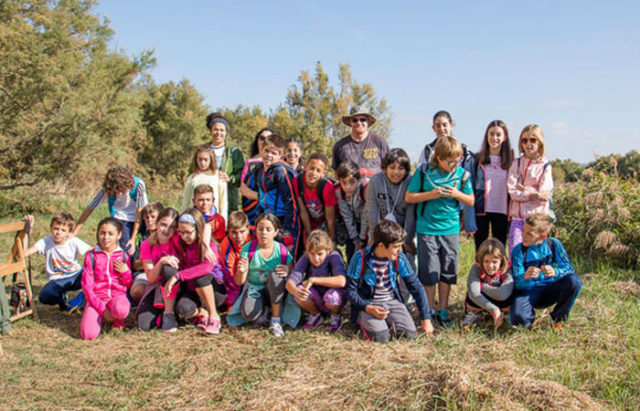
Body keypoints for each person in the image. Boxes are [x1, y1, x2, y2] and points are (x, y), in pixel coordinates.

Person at [405, 136, 474, 327]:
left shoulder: (462, 174)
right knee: (429, 272)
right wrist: (431, 194)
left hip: (450, 230)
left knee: (447, 271)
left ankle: (443, 308)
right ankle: (429, 310)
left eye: (457, 160)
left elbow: (470, 200)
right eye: (451, 161)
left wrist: (456, 194)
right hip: (427, 229)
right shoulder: (424, 172)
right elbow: (409, 197)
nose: (455, 164)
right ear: (439, 158)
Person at [345, 220, 434, 343]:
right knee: (382, 338)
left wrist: (426, 319)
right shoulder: (359, 257)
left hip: (392, 302)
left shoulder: (400, 258)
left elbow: (416, 286)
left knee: (409, 336)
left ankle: (388, 323)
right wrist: (367, 308)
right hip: (369, 304)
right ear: (381, 245)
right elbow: (350, 290)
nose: (400, 251)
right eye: (396, 247)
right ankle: (363, 321)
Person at [510, 213, 582, 331]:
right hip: (530, 292)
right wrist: (525, 277)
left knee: (575, 282)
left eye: (529, 234)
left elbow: (569, 269)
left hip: (551, 289)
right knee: (517, 318)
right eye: (523, 230)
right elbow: (518, 284)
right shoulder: (518, 251)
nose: (523, 235)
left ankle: (558, 319)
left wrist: (556, 272)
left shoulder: (554, 245)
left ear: (543, 236)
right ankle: (528, 322)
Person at [162, 209, 225, 335]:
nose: (184, 236)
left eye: (188, 232)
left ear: (198, 229)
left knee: (200, 276)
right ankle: (203, 313)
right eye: (181, 232)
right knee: (182, 309)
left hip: (213, 290)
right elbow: (166, 235)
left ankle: (214, 316)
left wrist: (178, 276)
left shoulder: (209, 247)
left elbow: (206, 268)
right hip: (193, 291)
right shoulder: (181, 242)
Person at [234, 213, 293, 337]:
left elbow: (291, 270)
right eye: (260, 229)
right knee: (249, 315)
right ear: (255, 231)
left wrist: (288, 270)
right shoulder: (248, 249)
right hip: (255, 289)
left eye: (268, 229)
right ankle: (266, 309)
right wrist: (242, 271)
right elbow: (239, 282)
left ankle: (275, 319)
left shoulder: (282, 251)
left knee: (275, 276)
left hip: (276, 289)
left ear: (276, 232)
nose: (264, 233)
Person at [241, 133, 301, 256]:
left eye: (274, 153)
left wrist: (288, 228)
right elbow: (261, 196)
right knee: (267, 253)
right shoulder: (259, 169)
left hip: (283, 219)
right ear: (261, 150)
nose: (269, 155)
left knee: (285, 256)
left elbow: (291, 201)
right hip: (267, 218)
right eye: (267, 151)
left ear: (280, 155)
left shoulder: (280, 171)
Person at [23, 213, 91, 311]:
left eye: (63, 230)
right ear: (51, 228)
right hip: (57, 279)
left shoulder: (74, 241)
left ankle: (84, 297)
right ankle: (61, 299)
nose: (58, 232)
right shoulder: (45, 242)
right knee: (44, 297)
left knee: (95, 274)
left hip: (76, 275)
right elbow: (25, 253)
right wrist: (27, 232)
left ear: (69, 232)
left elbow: (93, 252)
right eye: (56, 228)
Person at [80, 217, 132, 340]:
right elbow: (87, 287)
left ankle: (116, 318)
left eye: (111, 234)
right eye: (102, 233)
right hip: (97, 299)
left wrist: (126, 273)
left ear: (119, 235)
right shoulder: (91, 256)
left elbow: (128, 285)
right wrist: (103, 310)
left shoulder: (124, 256)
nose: (106, 237)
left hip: (116, 297)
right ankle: (102, 316)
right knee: (88, 335)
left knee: (122, 309)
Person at [464, 120, 514, 250]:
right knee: (480, 249)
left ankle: (499, 272)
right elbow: (470, 186)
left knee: (500, 249)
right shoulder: (476, 159)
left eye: (498, 134)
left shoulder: (512, 161)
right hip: (481, 210)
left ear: (505, 137)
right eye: (491, 134)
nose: (494, 138)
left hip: (503, 210)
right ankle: (479, 271)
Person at [74, 167, 148, 253]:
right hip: (120, 216)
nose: (119, 193)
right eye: (116, 191)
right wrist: (75, 231)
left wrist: (133, 238)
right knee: (126, 247)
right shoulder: (106, 189)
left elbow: (139, 211)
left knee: (143, 243)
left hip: (140, 216)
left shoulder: (138, 185)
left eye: (120, 190)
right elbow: (90, 208)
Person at [285, 230, 346, 332]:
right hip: (317, 297)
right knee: (300, 291)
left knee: (331, 296)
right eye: (312, 254)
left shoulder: (333, 256)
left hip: (334, 297)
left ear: (328, 250)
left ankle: (335, 315)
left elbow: (341, 281)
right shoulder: (306, 258)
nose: (316, 258)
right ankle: (315, 314)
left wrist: (313, 280)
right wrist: (297, 292)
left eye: (320, 254)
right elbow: (290, 282)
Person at [507, 124, 553, 255]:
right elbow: (513, 192)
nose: (528, 144)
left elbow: (544, 195)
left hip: (537, 220)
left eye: (533, 140)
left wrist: (524, 189)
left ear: (540, 142)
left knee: (535, 256)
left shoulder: (545, 166)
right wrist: (534, 193)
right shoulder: (516, 164)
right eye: (524, 140)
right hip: (518, 219)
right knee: (515, 255)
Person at [135, 208, 180, 332]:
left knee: (168, 268)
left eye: (171, 227)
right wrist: (160, 261)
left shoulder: (178, 240)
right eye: (163, 225)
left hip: (177, 284)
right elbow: (150, 278)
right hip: (157, 286)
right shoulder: (147, 245)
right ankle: (162, 311)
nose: (166, 230)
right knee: (144, 325)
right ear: (157, 223)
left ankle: (169, 313)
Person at [365, 148, 416, 255]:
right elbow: (372, 212)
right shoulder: (375, 181)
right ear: (385, 168)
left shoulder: (410, 182)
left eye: (401, 168)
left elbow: (410, 215)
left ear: (406, 170)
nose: (396, 172)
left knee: (407, 261)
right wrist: (374, 238)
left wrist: (408, 240)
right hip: (382, 230)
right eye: (392, 168)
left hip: (404, 230)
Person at [462, 238, 514, 328]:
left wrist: (481, 286)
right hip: (482, 300)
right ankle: (476, 314)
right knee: (472, 295)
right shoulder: (476, 268)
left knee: (510, 296)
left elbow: (503, 294)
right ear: (481, 260)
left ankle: (507, 315)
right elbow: (474, 294)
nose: (490, 266)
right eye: (486, 261)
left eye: (494, 262)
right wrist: (494, 310)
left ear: (501, 260)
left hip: (501, 299)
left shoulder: (507, 270)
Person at [332, 105, 389, 180]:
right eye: (354, 120)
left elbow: (389, 168)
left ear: (368, 121)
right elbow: (336, 174)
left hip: (376, 189)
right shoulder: (340, 146)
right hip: (350, 189)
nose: (359, 123)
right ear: (350, 122)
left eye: (362, 119)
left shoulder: (380, 142)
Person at [294, 152, 338, 241]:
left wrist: (331, 240)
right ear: (305, 166)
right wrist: (309, 235)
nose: (314, 173)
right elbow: (303, 212)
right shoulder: (297, 182)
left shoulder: (327, 187)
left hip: (324, 223)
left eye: (318, 170)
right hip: (308, 222)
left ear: (323, 173)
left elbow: (330, 219)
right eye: (311, 168)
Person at [206, 112, 245, 212]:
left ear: (226, 132)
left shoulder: (234, 152)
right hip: (206, 198)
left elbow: (242, 175)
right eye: (215, 129)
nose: (218, 133)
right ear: (211, 131)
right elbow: (193, 171)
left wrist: (230, 178)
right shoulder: (203, 150)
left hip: (228, 198)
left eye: (221, 130)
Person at [181, 144, 228, 222]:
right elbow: (186, 202)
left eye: (205, 160)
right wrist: (182, 219)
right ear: (196, 160)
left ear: (211, 159)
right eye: (200, 159)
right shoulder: (192, 178)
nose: (202, 163)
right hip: (194, 218)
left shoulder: (218, 176)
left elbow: (223, 203)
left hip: (213, 219)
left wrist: (224, 222)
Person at [130, 202, 164, 303]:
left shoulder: (167, 236)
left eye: (153, 217)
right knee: (137, 292)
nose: (149, 220)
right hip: (144, 273)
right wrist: (150, 259)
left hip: (163, 273)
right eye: (147, 217)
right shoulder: (141, 239)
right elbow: (135, 265)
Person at [335, 160, 368, 262]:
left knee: (366, 251)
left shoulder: (366, 189)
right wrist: (355, 239)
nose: (348, 187)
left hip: (368, 222)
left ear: (358, 179)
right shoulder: (339, 191)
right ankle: (351, 272)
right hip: (353, 222)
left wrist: (361, 239)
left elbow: (366, 216)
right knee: (351, 249)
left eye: (351, 182)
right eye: (344, 183)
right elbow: (346, 215)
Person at [219, 211, 253, 307]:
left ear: (248, 229)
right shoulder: (226, 248)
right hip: (236, 276)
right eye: (234, 232)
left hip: (256, 271)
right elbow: (230, 277)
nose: (239, 237)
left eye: (242, 232)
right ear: (228, 230)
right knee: (231, 298)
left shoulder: (256, 233)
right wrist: (241, 273)